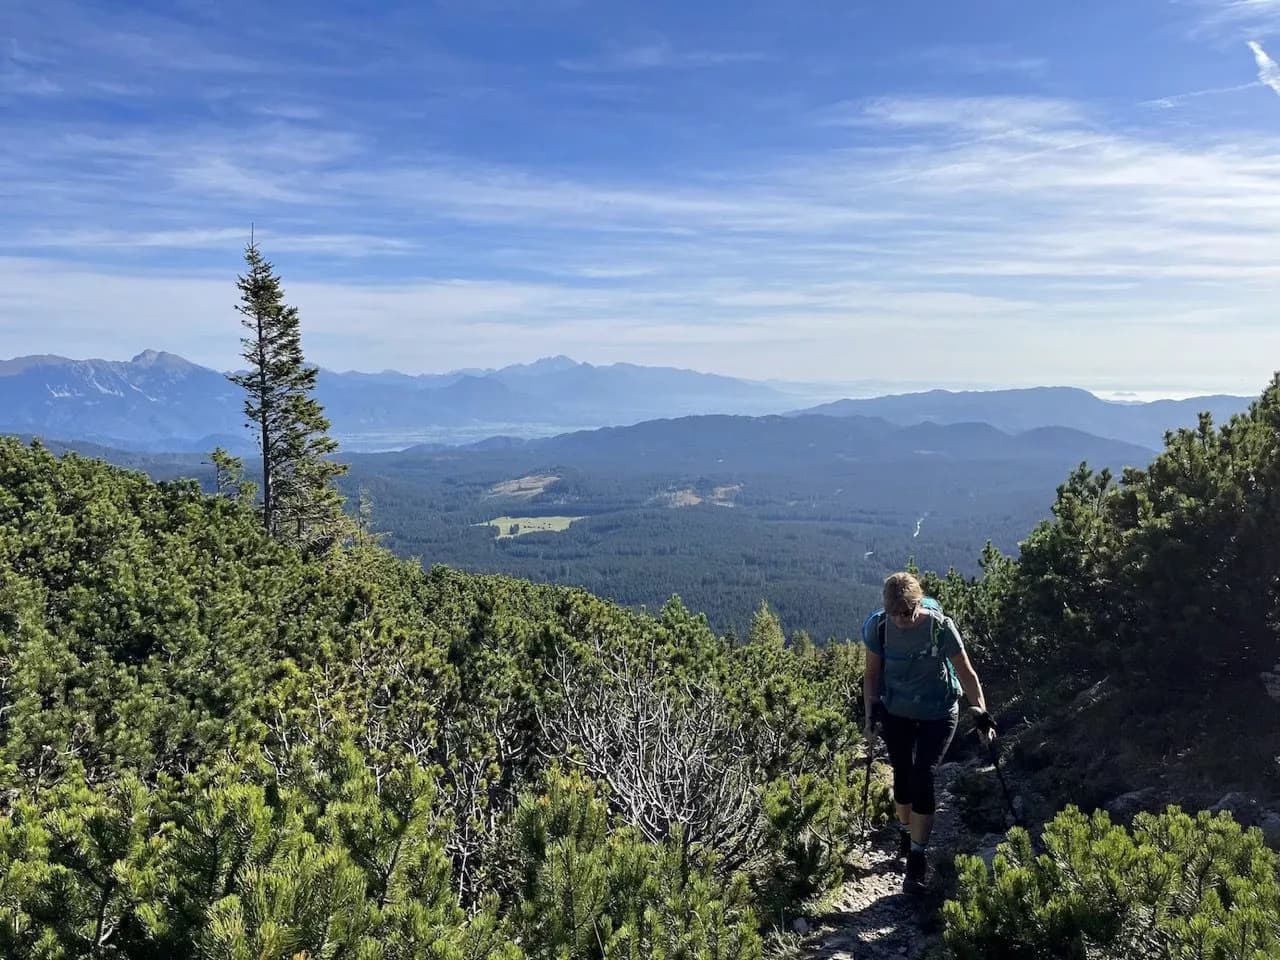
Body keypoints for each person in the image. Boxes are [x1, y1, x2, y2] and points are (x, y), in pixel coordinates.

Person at [862, 571, 996, 894]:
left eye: (907, 613)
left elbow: (966, 673)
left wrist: (981, 714)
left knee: (923, 775)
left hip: (939, 712)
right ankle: (906, 833)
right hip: (897, 713)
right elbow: (871, 675)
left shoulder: (939, 627)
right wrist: (870, 718)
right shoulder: (878, 629)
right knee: (902, 777)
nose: (902, 620)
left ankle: (917, 861)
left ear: (918, 604)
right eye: (895, 614)